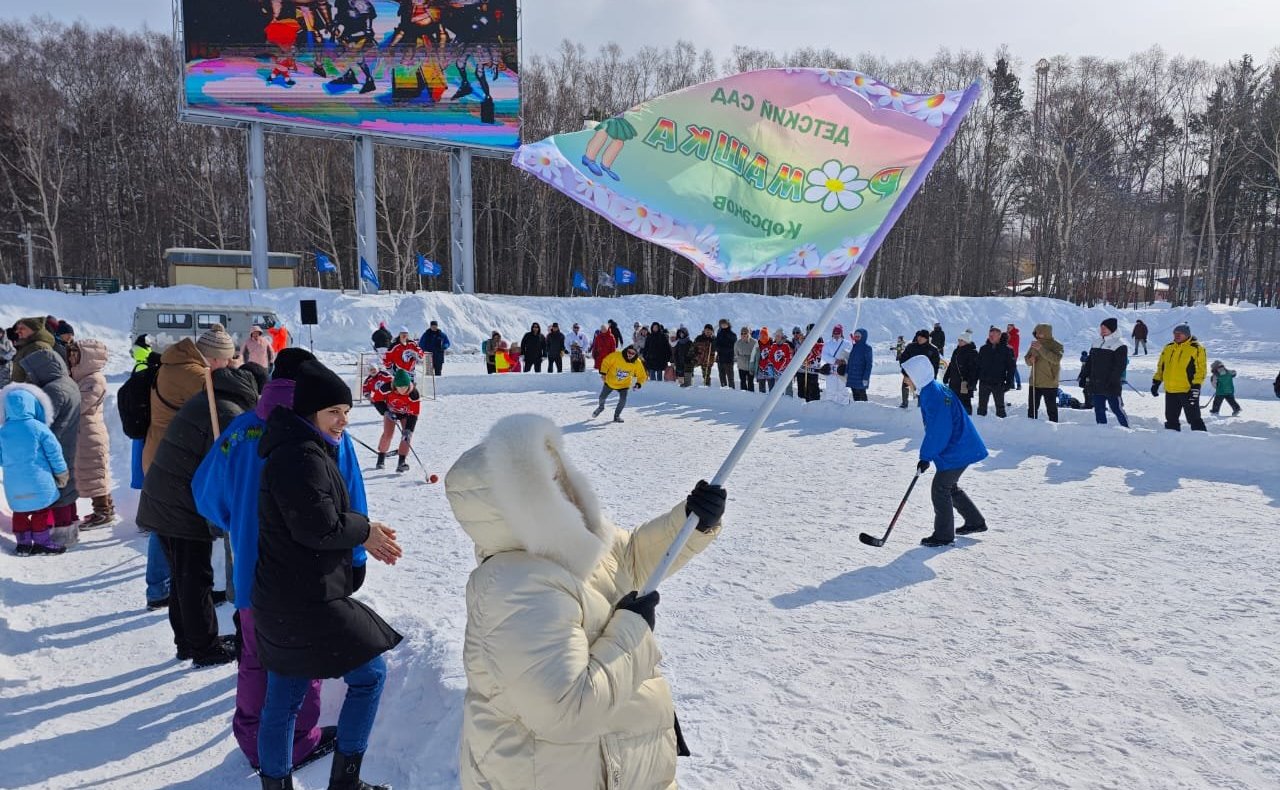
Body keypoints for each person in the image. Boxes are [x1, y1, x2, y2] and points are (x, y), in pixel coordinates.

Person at [445, 413, 725, 790]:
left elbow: (629, 557)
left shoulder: (573, 544)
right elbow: (568, 709)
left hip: (618, 763)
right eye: (545, 480)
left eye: (558, 473)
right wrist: (632, 629)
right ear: (516, 502)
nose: (562, 487)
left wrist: (690, 521)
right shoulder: (514, 588)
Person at [194, 349, 367, 771]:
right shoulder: (325, 434)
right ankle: (299, 741)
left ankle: (254, 739)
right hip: (308, 570)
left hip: (250, 568)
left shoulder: (240, 430)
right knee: (303, 657)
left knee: (257, 656)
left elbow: (205, 494)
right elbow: (353, 501)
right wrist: (357, 554)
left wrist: (240, 522)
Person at [254, 361, 402, 790]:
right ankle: (345, 783)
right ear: (310, 411)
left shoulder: (300, 446)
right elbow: (317, 527)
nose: (343, 421)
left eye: (347, 411)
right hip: (305, 601)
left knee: (284, 700)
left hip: (283, 597)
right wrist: (365, 531)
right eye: (333, 411)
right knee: (370, 676)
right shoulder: (300, 456)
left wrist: (362, 531)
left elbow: (317, 519)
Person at [138, 361, 264, 667]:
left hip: (166, 498)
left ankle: (187, 642)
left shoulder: (212, 398)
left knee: (183, 576)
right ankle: (205, 648)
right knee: (195, 577)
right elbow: (224, 471)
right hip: (181, 506)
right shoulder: (226, 412)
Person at [901, 354, 989, 548]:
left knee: (940, 488)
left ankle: (943, 535)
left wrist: (926, 457)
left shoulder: (933, 395)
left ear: (916, 375)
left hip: (959, 447)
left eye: (907, 376)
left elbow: (939, 430)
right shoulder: (932, 389)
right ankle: (975, 521)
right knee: (949, 486)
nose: (905, 380)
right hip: (960, 445)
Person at [19, 348, 82, 545]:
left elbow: (42, 423)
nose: (31, 377)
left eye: (32, 372)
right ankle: (71, 527)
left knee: (58, 489)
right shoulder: (68, 383)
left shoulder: (53, 390)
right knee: (68, 487)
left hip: (55, 444)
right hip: (67, 441)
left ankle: (62, 534)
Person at [1, 384, 70, 555]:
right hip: (39, 480)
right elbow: (54, 453)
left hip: (14, 483)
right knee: (40, 511)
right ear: (32, 405)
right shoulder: (38, 428)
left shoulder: (3, 431)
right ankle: (42, 543)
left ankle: (23, 544)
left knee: (20, 512)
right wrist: (61, 472)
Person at [68, 339, 115, 529]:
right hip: (84, 432)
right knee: (91, 472)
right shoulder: (81, 378)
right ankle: (105, 509)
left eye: (76, 354)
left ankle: (103, 512)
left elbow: (78, 405)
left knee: (95, 473)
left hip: (90, 433)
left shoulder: (94, 380)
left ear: (87, 357)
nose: (71, 358)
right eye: (71, 354)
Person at [1152, 323, 1207, 432]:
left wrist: (1196, 386)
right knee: (1171, 419)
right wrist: (1156, 382)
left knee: (1194, 418)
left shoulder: (1196, 348)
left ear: (1187, 335)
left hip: (1187, 390)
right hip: (1170, 390)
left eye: (1180, 333)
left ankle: (1201, 439)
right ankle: (1171, 439)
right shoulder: (1168, 347)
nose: (1176, 335)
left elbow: (1201, 369)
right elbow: (1161, 367)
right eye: (1175, 333)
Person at [1078, 318, 1129, 427]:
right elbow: (1090, 362)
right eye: (1101, 328)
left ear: (1112, 329)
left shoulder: (1119, 345)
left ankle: (1127, 429)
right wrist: (1083, 376)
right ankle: (1102, 430)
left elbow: (1120, 366)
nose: (1102, 330)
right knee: (1099, 409)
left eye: (1105, 328)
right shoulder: (1096, 343)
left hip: (1111, 385)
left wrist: (1112, 380)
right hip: (1096, 384)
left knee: (1116, 409)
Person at [374, 368, 421, 472]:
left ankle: (401, 462)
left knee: (406, 436)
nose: (402, 390)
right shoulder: (386, 387)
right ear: (395, 385)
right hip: (390, 412)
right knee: (388, 434)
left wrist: (409, 429)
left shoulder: (413, 393)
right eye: (400, 387)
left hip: (406, 415)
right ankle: (381, 457)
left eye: (405, 387)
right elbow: (377, 400)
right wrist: (385, 411)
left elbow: (414, 413)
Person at [594, 345, 646, 422]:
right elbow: (606, 362)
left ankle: (617, 416)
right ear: (626, 350)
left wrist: (638, 384)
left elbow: (642, 375)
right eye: (629, 352)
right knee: (602, 397)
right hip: (610, 381)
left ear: (635, 354)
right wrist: (603, 373)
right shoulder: (617, 355)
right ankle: (601, 407)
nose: (630, 354)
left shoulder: (637, 362)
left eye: (633, 353)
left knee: (623, 400)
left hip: (624, 385)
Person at [1024, 323, 1063, 423]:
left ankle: (1054, 427)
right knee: (1032, 409)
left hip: (1049, 383)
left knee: (1051, 409)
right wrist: (1030, 360)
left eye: (1039, 333)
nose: (1037, 335)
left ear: (1046, 333)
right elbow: (1027, 360)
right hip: (1034, 382)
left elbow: (1056, 359)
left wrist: (1040, 348)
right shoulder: (1035, 344)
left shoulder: (1056, 345)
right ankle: (1031, 427)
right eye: (1036, 332)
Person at [975, 327, 1016, 418]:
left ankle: (1002, 425)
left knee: (1000, 408)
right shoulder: (983, 349)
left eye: (993, 335)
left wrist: (1009, 383)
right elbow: (978, 366)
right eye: (990, 335)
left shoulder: (1007, 349)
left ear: (999, 336)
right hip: (984, 382)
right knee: (981, 408)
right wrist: (974, 381)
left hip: (998, 383)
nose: (991, 337)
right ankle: (980, 424)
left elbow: (1011, 368)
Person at [898, 330, 940, 408]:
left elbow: (935, 365)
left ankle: (920, 405)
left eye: (922, 337)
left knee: (922, 390)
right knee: (905, 386)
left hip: (923, 376)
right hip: (910, 373)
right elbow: (903, 359)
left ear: (926, 338)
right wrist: (905, 372)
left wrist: (933, 377)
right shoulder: (911, 347)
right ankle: (904, 403)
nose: (919, 338)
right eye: (918, 336)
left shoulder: (933, 349)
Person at [942, 330, 979, 414]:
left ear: (966, 341)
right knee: (952, 401)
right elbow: (951, 365)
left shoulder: (973, 352)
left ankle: (967, 418)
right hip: (953, 382)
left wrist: (971, 383)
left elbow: (974, 370)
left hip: (965, 383)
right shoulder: (956, 351)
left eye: (961, 340)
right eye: (959, 340)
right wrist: (946, 376)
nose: (959, 341)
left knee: (965, 403)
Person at [9, 317, 55, 384]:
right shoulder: (28, 346)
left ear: (34, 330)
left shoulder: (38, 347)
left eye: (22, 328)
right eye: (17, 328)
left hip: (28, 389)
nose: (17, 331)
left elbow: (38, 379)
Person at [819, 324, 854, 404]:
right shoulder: (828, 344)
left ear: (841, 333)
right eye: (835, 333)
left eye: (838, 333)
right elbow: (824, 355)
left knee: (843, 392)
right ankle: (830, 408)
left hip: (842, 371)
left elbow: (851, 356)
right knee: (831, 391)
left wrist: (845, 361)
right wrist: (834, 360)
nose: (836, 335)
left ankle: (844, 407)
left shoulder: (847, 343)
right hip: (831, 372)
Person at [845, 328, 873, 402]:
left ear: (863, 337)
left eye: (858, 336)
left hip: (861, 377)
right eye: (855, 336)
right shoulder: (854, 346)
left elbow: (869, 364)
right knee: (855, 396)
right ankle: (857, 408)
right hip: (852, 377)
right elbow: (850, 361)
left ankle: (865, 409)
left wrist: (866, 378)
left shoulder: (867, 348)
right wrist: (847, 371)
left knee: (862, 396)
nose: (856, 338)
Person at [797, 327, 823, 401]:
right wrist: (802, 342)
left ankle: (814, 404)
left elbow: (818, 351)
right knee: (803, 391)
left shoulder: (819, 339)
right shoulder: (804, 339)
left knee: (813, 391)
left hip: (813, 370)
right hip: (803, 370)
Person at [714, 318, 737, 389]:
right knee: (722, 376)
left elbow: (733, 347)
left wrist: (722, 348)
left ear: (728, 324)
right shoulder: (719, 333)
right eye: (722, 324)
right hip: (720, 358)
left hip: (729, 359)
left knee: (730, 377)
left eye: (725, 324)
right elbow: (716, 344)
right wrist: (717, 347)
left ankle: (732, 391)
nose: (723, 325)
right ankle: (723, 390)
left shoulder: (732, 334)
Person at [734, 326, 757, 392]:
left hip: (750, 365)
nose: (743, 335)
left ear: (748, 333)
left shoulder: (754, 342)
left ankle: (751, 395)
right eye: (742, 333)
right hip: (741, 365)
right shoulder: (738, 343)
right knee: (743, 381)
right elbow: (736, 352)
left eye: (745, 333)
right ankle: (743, 395)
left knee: (750, 382)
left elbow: (756, 353)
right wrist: (740, 358)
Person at [1006, 323, 1022, 389]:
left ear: (1013, 328)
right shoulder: (1007, 334)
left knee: (1014, 369)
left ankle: (1019, 384)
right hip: (1007, 354)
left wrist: (1006, 343)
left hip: (1013, 355)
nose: (1008, 328)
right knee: (1009, 369)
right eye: (1007, 327)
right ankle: (1012, 384)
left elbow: (1013, 345)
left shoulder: (1016, 335)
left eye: (1009, 327)